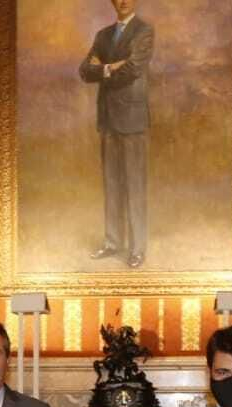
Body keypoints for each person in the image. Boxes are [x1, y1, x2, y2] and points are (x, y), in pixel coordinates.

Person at [78, 0, 154, 269]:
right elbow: (84, 71)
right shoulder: (103, 35)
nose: (122, 1)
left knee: (134, 185)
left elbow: (134, 69)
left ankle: (137, 248)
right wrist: (111, 67)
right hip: (108, 119)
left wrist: (103, 68)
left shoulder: (144, 31)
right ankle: (113, 243)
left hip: (132, 120)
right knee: (112, 185)